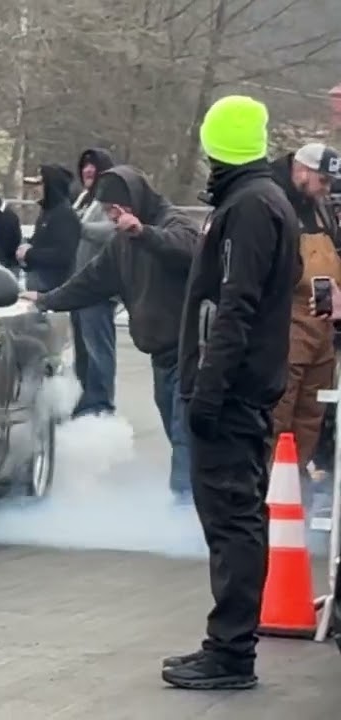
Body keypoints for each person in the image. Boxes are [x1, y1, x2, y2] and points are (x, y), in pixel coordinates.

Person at [164, 95, 298, 691]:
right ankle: (228, 643)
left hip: (232, 394)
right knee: (235, 519)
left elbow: (233, 308)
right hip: (243, 388)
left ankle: (231, 649)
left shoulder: (247, 208)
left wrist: (208, 394)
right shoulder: (261, 201)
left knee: (233, 520)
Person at [21, 165, 200, 501]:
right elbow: (90, 282)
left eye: (117, 211)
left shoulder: (173, 223)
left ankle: (185, 507)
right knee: (176, 428)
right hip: (160, 354)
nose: (114, 218)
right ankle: (194, 500)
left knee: (184, 433)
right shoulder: (121, 245)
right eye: (108, 212)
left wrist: (144, 232)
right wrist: (46, 300)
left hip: (190, 352)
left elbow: (189, 249)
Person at [266, 143, 341, 512]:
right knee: (279, 413)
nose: (326, 188)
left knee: (312, 415)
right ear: (301, 170)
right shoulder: (271, 201)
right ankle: (268, 497)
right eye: (322, 180)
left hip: (324, 325)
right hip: (287, 324)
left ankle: (294, 493)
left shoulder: (322, 208)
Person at [70, 148, 119, 417]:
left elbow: (113, 231)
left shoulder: (110, 199)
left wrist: (79, 227)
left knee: (98, 348)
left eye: (93, 165)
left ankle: (101, 403)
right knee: (83, 350)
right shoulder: (84, 199)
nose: (88, 170)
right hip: (79, 287)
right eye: (84, 165)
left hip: (99, 288)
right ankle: (87, 397)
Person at [16, 165, 79, 292]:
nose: (35, 189)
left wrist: (29, 254)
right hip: (38, 286)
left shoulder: (64, 215)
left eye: (39, 184)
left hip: (53, 290)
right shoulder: (47, 212)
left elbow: (62, 255)